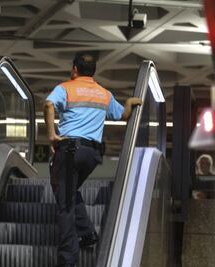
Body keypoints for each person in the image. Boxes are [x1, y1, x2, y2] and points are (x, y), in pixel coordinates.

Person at [44, 52, 142, 267]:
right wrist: (128, 102)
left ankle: (68, 261)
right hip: (92, 154)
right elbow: (122, 115)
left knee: (65, 206)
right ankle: (87, 232)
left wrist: (51, 135)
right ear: (93, 71)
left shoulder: (66, 88)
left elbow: (49, 105)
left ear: (74, 69)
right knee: (69, 192)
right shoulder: (103, 94)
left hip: (69, 151)